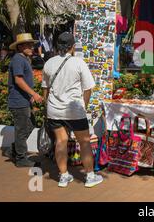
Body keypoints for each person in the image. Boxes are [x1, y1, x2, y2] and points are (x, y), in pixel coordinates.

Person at [42, 32, 103, 188]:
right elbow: (88, 88)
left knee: (60, 141)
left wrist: (47, 108)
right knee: (84, 142)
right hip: (75, 110)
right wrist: (84, 105)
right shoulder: (78, 63)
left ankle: (63, 176)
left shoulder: (49, 63)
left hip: (54, 110)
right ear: (73, 46)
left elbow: (45, 90)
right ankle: (90, 176)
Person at [7, 33, 43, 167]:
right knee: (22, 130)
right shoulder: (18, 59)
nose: (31, 47)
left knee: (30, 124)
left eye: (31, 44)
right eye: (28, 45)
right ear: (20, 47)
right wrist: (33, 94)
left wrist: (29, 96)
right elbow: (18, 80)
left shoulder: (23, 59)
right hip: (18, 101)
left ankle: (15, 150)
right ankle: (21, 158)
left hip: (23, 100)